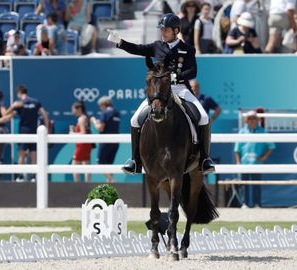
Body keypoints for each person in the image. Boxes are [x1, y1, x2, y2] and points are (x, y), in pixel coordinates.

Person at [107, 13, 215, 175]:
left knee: (203, 117)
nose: (163, 33)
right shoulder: (157, 46)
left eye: (166, 30)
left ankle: (205, 159)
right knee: (135, 119)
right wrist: (120, 42)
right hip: (160, 91)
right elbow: (138, 49)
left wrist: (177, 76)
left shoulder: (187, 49)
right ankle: (135, 160)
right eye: (162, 30)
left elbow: (193, 71)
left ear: (176, 30)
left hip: (180, 88)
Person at [6, 85, 49, 182]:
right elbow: (45, 115)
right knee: (34, 154)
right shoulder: (35, 102)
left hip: (23, 131)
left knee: (21, 154)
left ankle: (20, 176)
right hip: (34, 131)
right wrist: (47, 129)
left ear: (19, 93)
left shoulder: (18, 103)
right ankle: (34, 177)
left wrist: (13, 106)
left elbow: (6, 115)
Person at [234, 110, 275, 208]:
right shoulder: (242, 132)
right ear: (246, 120)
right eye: (250, 118)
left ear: (257, 120)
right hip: (244, 163)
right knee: (244, 185)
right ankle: (245, 204)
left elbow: (271, 146)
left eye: (253, 118)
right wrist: (238, 163)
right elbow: (237, 149)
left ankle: (257, 204)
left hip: (257, 163)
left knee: (257, 185)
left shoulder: (262, 131)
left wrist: (264, 156)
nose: (252, 120)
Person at [90, 96, 120, 183]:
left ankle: (112, 180)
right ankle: (110, 183)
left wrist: (94, 121)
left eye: (100, 106)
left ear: (103, 104)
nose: (100, 108)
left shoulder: (105, 113)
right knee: (109, 165)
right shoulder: (117, 112)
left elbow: (100, 128)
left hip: (106, 141)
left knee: (100, 163)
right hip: (115, 142)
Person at [70, 101, 92, 183]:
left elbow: (83, 133)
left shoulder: (81, 118)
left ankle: (77, 185)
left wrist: (72, 133)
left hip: (82, 145)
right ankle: (87, 184)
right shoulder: (84, 117)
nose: (72, 112)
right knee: (86, 163)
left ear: (79, 109)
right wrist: (75, 130)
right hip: (85, 145)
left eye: (73, 110)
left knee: (74, 164)